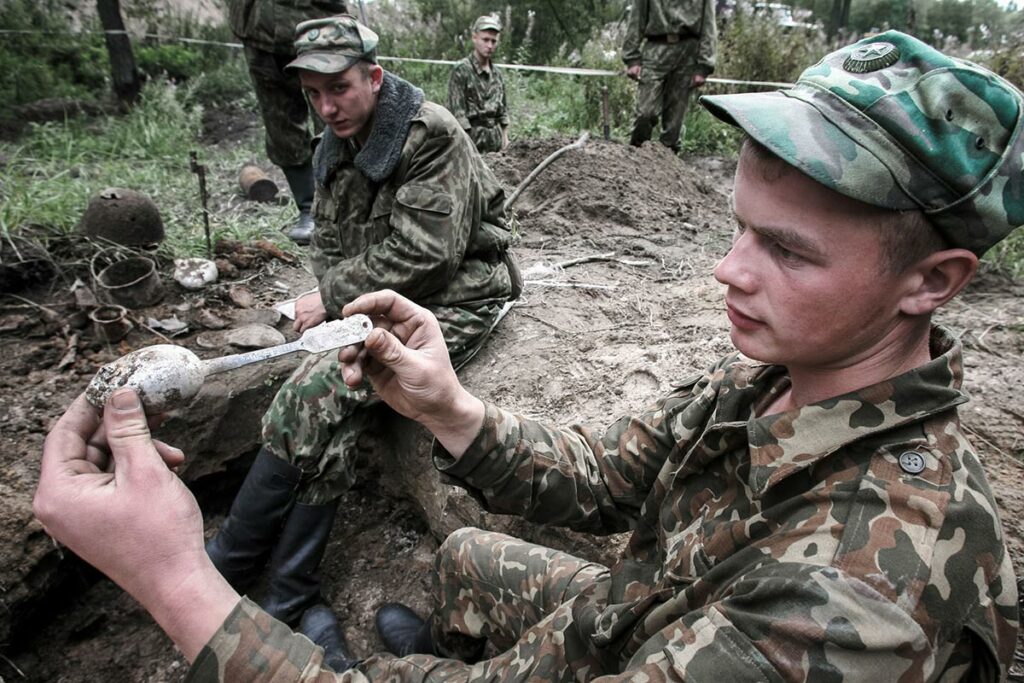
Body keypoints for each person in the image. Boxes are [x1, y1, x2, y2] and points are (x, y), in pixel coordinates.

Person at [34, 30, 1022, 681]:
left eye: (787, 250)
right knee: (463, 554)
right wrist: (448, 408)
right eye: (740, 228)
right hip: (643, 610)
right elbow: (605, 474)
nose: (728, 271)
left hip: (670, 639)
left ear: (931, 281)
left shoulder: (851, 601)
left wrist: (174, 581)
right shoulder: (785, 374)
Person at [202, 13, 520, 662]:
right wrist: (343, 298)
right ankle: (288, 593)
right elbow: (332, 244)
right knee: (335, 417)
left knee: (316, 388)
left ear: (373, 77)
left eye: (339, 88)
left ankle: (232, 561)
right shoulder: (331, 145)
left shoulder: (429, 134)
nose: (326, 106)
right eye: (313, 94)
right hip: (385, 300)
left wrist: (337, 298)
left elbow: (429, 252)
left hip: (460, 294)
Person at [227, 0, 347, 245]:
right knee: (279, 120)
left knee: (337, 112)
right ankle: (310, 208)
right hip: (258, 24)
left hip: (319, 18)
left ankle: (349, 204)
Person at [623, 0, 716, 153]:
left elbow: (709, 25)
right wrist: (632, 57)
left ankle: (668, 159)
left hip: (688, 51)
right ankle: (637, 153)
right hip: (655, 48)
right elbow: (636, 19)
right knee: (646, 113)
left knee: (674, 120)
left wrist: (704, 65)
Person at [447, 14, 510, 153]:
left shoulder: (497, 75)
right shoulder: (461, 70)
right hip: (471, 142)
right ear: (474, 38)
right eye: (485, 40)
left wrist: (505, 139)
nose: (489, 45)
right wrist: (467, 149)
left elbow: (503, 112)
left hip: (495, 143)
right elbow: (458, 114)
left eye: (494, 41)